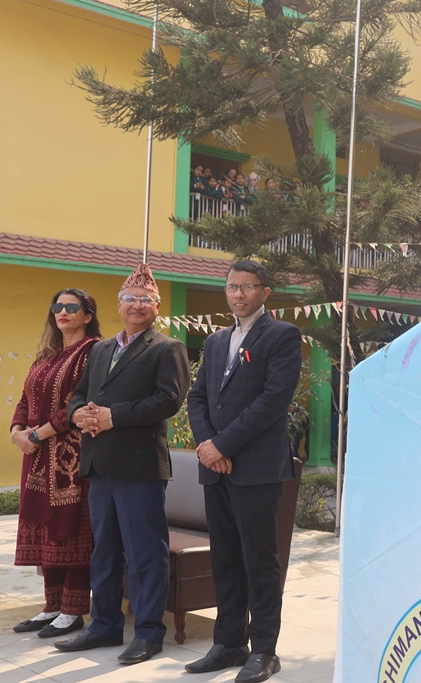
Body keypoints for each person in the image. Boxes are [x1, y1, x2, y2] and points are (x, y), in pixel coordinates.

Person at [54, 263, 189, 666]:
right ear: (118, 305)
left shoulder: (167, 348)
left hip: (140, 465)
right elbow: (79, 395)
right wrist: (79, 414)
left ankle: (148, 632)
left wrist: (114, 416)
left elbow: (168, 400)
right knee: (105, 552)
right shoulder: (100, 350)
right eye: (130, 298)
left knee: (145, 552)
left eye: (145, 299)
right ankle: (105, 625)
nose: (136, 305)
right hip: (99, 463)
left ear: (157, 307)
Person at [185, 260, 302, 683]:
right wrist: (207, 446)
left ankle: (264, 650)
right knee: (225, 559)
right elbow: (197, 397)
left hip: (256, 468)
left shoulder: (282, 335)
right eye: (232, 287)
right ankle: (228, 642)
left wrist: (223, 445)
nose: (238, 294)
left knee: (259, 561)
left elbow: (272, 401)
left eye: (247, 287)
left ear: (264, 292)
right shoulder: (216, 340)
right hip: (216, 469)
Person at [9, 289, 101, 639]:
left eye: (71, 307)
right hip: (36, 458)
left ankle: (73, 610)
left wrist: (36, 434)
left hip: (70, 456)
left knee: (70, 529)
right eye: (58, 306)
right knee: (44, 528)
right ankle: (51, 606)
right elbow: (24, 399)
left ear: (87, 315)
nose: (63, 312)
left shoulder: (93, 351)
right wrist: (17, 431)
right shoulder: (46, 355)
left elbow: (80, 405)